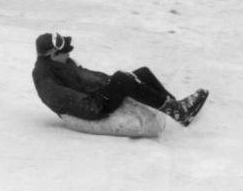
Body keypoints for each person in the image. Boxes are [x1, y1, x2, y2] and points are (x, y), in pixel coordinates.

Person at [31, 32, 208, 126]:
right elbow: (59, 99)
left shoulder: (62, 61)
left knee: (142, 73)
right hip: (91, 106)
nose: (69, 53)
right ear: (51, 53)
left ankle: (176, 107)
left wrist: (107, 82)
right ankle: (179, 111)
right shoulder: (43, 75)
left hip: (95, 95)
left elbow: (84, 74)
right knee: (122, 80)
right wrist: (97, 97)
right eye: (65, 51)